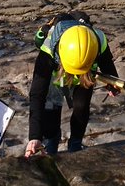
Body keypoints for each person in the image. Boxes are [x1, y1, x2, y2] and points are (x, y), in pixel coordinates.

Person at [24, 12, 119, 157]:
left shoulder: (98, 40)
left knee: (81, 107)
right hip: (56, 77)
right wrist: (34, 136)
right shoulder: (48, 49)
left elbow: (107, 64)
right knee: (51, 110)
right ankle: (51, 141)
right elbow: (37, 94)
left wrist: (113, 82)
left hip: (85, 77)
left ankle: (75, 143)